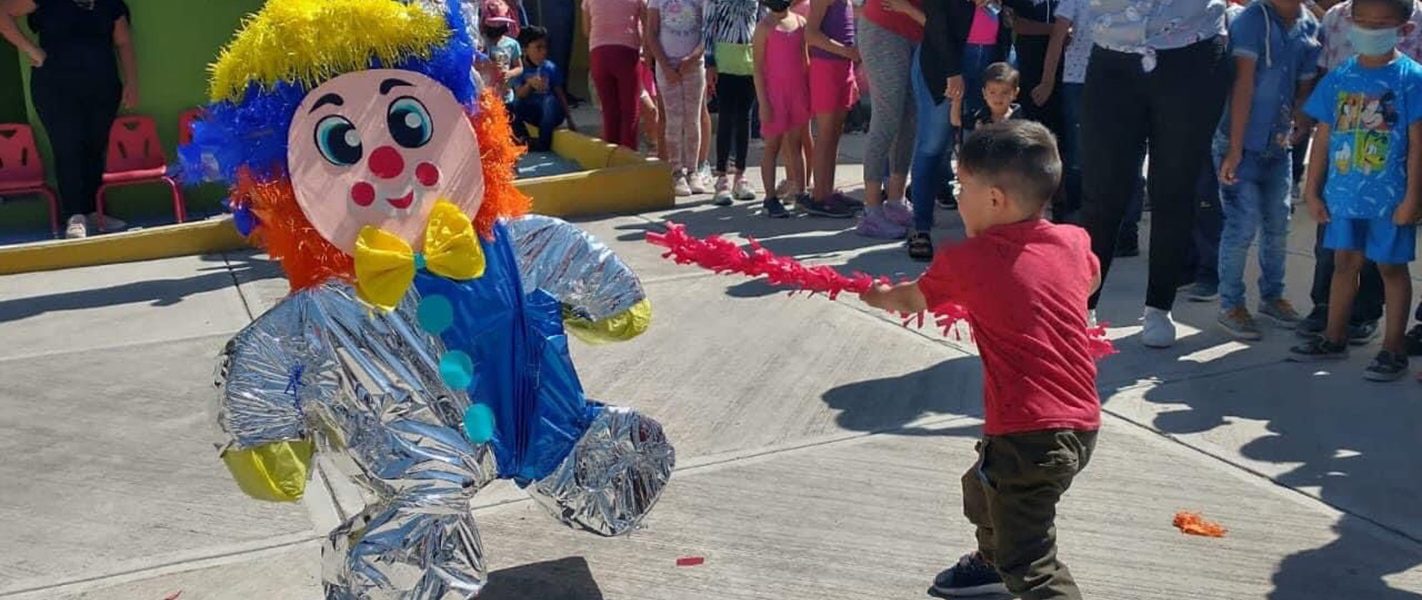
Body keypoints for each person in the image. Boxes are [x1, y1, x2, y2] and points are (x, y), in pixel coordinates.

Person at [859, 120, 1099, 600]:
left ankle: (1008, 565)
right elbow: (1089, 281)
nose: (958, 196)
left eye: (960, 187)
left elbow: (911, 300)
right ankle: (991, 563)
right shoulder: (1073, 242)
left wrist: (878, 295)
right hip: (1079, 424)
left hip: (1026, 434)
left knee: (1031, 563)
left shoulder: (969, 260)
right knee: (981, 488)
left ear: (994, 199)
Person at [1081, 1, 1230, 348]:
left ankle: (1159, 307)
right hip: (1113, 52)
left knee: (1174, 188)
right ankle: (1082, 306)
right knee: (1102, 192)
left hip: (1191, 50)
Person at [1290, 0, 1422, 380]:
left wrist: (1413, 198)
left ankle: (1393, 349)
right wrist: (1313, 190)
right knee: (1343, 264)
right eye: (1362, 22)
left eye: (1380, 24)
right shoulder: (1340, 77)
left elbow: (1418, 145)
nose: (1369, 31)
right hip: (1344, 196)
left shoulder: (1412, 79)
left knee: (1390, 268)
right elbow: (1323, 137)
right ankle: (1334, 336)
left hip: (1390, 200)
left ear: (1404, 29)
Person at [1212, 0, 1321, 340]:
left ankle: (1272, 296)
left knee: (1278, 224)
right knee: (1241, 224)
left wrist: (1301, 118)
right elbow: (1242, 86)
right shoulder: (1251, 20)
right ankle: (1231, 303)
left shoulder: (1309, 24)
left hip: (1278, 145)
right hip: (1239, 144)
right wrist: (1234, 149)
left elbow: (1305, 83)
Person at [0, 0, 138, 239]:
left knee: (94, 148)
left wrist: (131, 82)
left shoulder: (110, 3)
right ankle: (74, 216)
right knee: (67, 147)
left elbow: (123, 42)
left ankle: (95, 212)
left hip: (102, 88)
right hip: (55, 89)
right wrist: (32, 51)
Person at [907, 0, 1012, 261]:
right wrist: (952, 71)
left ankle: (982, 229)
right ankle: (920, 226)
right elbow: (936, 20)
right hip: (946, 59)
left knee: (980, 147)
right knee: (932, 143)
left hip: (988, 58)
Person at [852, 0, 922, 238]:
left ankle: (895, 201)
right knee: (886, 120)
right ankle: (871, 211)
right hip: (884, 28)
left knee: (908, 121)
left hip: (916, 31)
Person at [802, 0, 861, 217]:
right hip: (826, 67)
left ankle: (828, 190)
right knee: (826, 134)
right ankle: (819, 195)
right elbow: (811, 34)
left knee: (835, 133)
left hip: (844, 67)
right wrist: (845, 51)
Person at [753, 0, 811, 218]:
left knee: (796, 145)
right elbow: (758, 69)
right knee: (772, 146)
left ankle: (801, 193)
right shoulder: (764, 28)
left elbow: (805, 61)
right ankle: (770, 198)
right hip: (774, 97)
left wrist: (808, 93)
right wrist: (763, 103)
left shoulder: (800, 22)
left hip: (798, 94)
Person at [647, 0, 709, 196]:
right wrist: (665, 66)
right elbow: (651, 33)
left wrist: (692, 58)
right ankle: (676, 171)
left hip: (694, 66)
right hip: (667, 66)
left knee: (692, 119)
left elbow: (707, 32)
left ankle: (693, 171)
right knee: (673, 120)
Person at [705, 0, 762, 206]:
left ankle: (740, 174)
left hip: (749, 60)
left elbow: (762, 21)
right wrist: (710, 62)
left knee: (744, 119)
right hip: (724, 60)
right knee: (726, 118)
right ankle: (722, 177)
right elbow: (708, 25)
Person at [583, 0, 645, 150]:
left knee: (609, 110)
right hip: (627, 52)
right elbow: (646, 24)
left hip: (598, 53)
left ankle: (611, 155)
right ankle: (628, 155)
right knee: (630, 110)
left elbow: (586, 29)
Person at [510, 26, 575, 152]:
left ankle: (544, 143)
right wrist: (529, 85)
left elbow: (560, 94)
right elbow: (519, 94)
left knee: (549, 100)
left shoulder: (550, 67)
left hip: (552, 114)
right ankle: (523, 138)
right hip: (533, 113)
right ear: (525, 50)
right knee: (510, 105)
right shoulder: (520, 69)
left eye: (545, 47)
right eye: (538, 48)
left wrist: (570, 120)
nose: (544, 52)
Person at [952, 61, 1022, 136]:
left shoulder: (1021, 119)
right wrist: (957, 100)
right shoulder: (980, 116)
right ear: (984, 93)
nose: (998, 97)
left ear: (1015, 93)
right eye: (992, 92)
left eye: (1004, 93)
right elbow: (956, 121)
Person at [479, 16, 523, 108]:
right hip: (487, 94)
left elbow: (519, 67)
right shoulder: (482, 43)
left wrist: (509, 73)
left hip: (506, 95)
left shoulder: (512, 44)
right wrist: (489, 65)